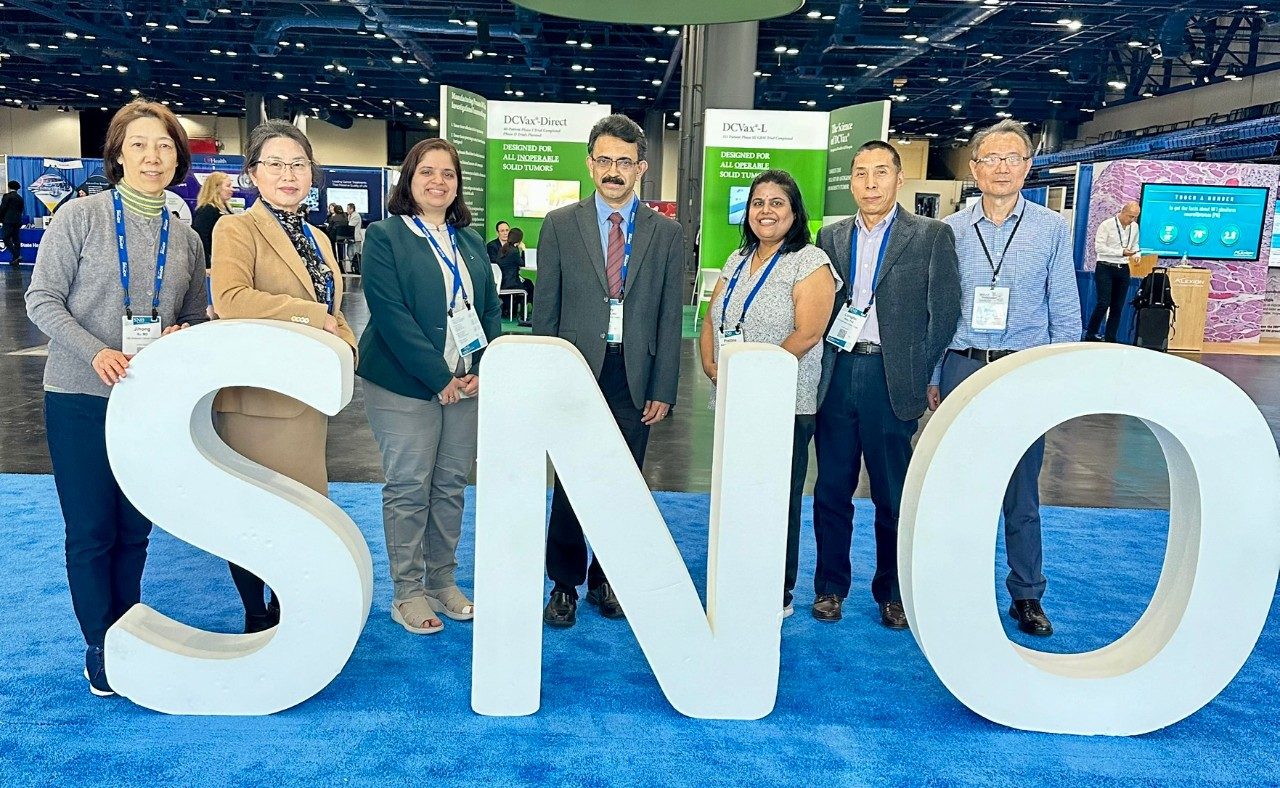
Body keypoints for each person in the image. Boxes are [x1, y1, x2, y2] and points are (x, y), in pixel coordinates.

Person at [25, 99, 207, 697]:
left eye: (163, 146)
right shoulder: (80, 219)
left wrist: (184, 332)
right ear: (118, 153)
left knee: (135, 528)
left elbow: (186, 315)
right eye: (139, 144)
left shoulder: (184, 239)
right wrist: (95, 351)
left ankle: (128, 627)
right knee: (91, 529)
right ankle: (100, 643)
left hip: (148, 404)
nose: (152, 156)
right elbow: (42, 300)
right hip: (80, 395)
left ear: (177, 156)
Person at [929, 119, 1081, 637]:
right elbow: (938, 311)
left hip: (1024, 370)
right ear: (973, 169)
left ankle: (1027, 595)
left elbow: (1064, 308)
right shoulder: (948, 231)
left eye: (1012, 157)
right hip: (961, 367)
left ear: (1028, 166)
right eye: (990, 158)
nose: (1001, 167)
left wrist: (1060, 379)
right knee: (958, 484)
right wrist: (933, 373)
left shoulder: (1051, 229)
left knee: (1021, 491)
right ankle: (954, 588)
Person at [534, 113, 685, 628]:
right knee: (572, 482)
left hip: (634, 375)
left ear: (641, 167)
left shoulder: (667, 233)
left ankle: (607, 577)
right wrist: (547, 379)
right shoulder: (559, 225)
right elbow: (545, 313)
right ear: (590, 164)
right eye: (604, 160)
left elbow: (671, 316)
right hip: (576, 372)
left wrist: (664, 385)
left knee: (625, 482)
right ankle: (564, 584)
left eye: (624, 161)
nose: (613, 171)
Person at [210, 121, 358, 634]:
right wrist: (308, 314)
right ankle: (256, 614)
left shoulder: (317, 235)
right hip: (257, 402)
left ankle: (292, 606)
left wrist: (345, 343)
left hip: (307, 399)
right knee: (256, 518)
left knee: (304, 514)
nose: (288, 174)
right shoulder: (237, 229)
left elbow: (333, 311)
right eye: (274, 163)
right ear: (253, 173)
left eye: (297, 164)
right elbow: (229, 300)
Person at [809, 141, 961, 628]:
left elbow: (945, 312)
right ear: (850, 181)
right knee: (831, 488)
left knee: (892, 494)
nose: (870, 183)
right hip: (838, 372)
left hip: (892, 377)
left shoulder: (930, 235)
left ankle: (892, 592)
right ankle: (830, 587)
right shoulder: (829, 236)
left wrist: (917, 369)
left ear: (899, 179)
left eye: (880, 173)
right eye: (860, 173)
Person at [358, 138, 501, 635]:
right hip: (403, 384)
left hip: (466, 385)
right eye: (427, 172)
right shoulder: (385, 236)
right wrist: (438, 378)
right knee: (409, 485)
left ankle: (443, 581)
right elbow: (391, 315)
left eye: (448, 174)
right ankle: (407, 592)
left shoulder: (472, 241)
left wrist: (485, 363)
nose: (438, 181)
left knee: (451, 485)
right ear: (410, 180)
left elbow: (487, 309)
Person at [698, 169, 838, 619]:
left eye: (777, 202)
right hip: (733, 398)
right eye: (758, 202)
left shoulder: (809, 261)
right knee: (735, 493)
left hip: (785, 403)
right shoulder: (737, 259)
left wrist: (757, 376)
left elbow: (809, 331)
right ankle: (739, 577)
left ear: (794, 211)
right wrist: (710, 364)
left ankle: (777, 590)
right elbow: (710, 320)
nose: (766, 211)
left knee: (778, 498)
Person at [1086, 201, 1141, 342]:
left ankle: (1111, 337)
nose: (1132, 220)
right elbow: (1099, 248)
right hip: (1105, 267)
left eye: (1135, 217)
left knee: (1117, 306)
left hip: (1123, 268)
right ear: (1122, 212)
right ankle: (1091, 334)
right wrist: (1121, 252)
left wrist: (1136, 254)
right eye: (1130, 216)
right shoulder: (1106, 225)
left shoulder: (1134, 227)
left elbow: (1135, 244)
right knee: (1103, 302)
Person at [192, 171, 234, 267]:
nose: (232, 189)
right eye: (228, 186)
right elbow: (201, 239)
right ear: (216, 188)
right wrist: (206, 265)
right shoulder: (207, 210)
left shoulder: (227, 209)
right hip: (213, 264)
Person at [495, 226, 535, 309]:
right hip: (511, 283)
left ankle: (522, 311)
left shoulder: (503, 249)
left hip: (502, 282)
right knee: (529, 285)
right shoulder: (513, 251)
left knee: (527, 283)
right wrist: (523, 249)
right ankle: (529, 311)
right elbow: (523, 263)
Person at [1, 180, 24, 266]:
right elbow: (21, 210)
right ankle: (15, 260)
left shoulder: (7, 196)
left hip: (8, 220)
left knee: (5, 238)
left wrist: (0, 219)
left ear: (9, 187)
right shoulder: (20, 198)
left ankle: (16, 255)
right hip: (17, 221)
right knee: (16, 239)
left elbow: (3, 208)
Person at [345, 202, 363, 269]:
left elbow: (350, 226)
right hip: (351, 239)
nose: (347, 210)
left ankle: (357, 268)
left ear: (352, 209)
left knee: (356, 254)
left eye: (348, 209)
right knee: (350, 254)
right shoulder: (350, 215)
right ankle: (353, 268)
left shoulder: (356, 216)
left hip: (356, 238)